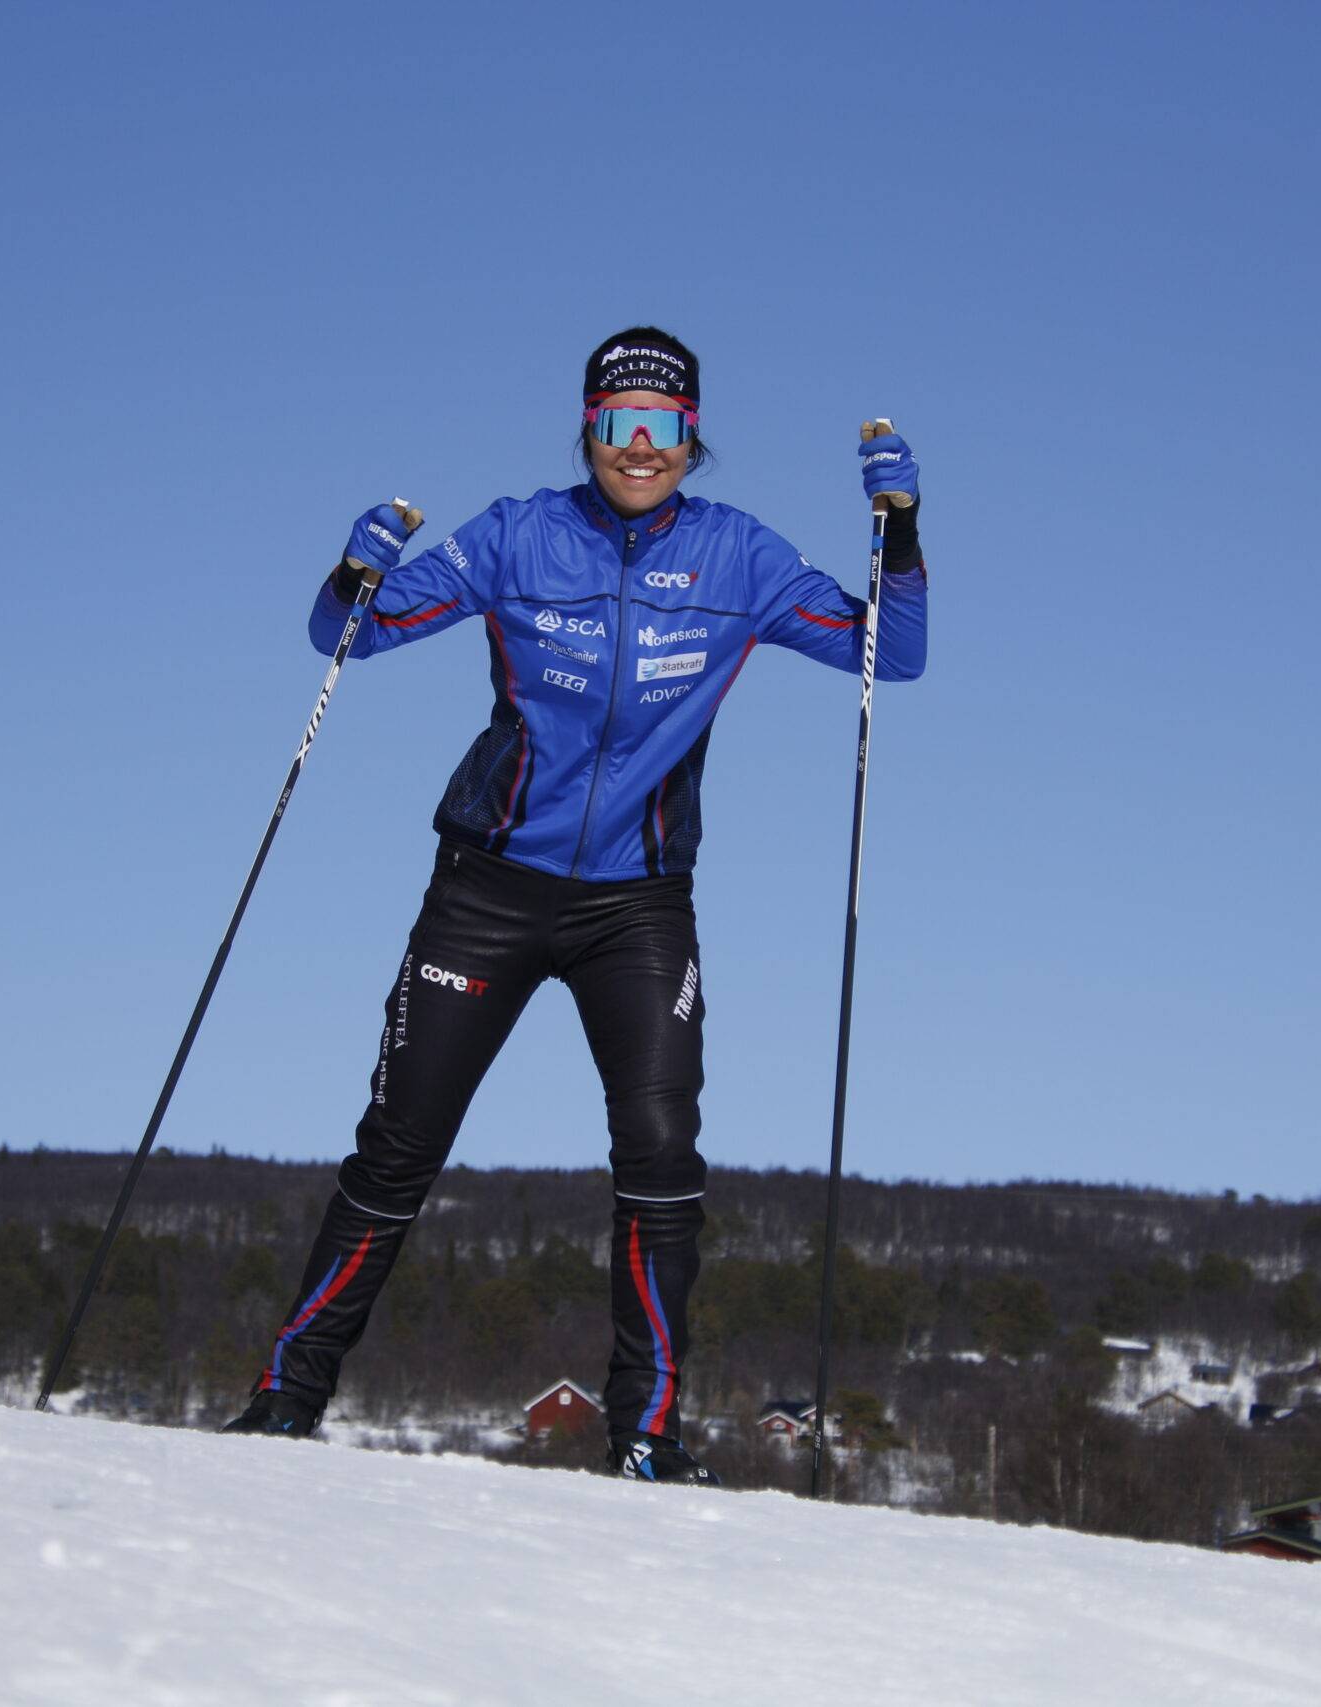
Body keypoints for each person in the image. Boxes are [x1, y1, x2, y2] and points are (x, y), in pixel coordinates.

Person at [220, 327, 927, 1483]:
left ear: (693, 440)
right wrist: (353, 571)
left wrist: (898, 533)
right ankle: (286, 1398)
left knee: (659, 1157)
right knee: (397, 1146)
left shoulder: (738, 558)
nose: (638, 449)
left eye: (662, 428)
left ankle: (645, 1437)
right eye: (616, 425)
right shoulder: (517, 535)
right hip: (488, 891)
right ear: (587, 430)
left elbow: (886, 659)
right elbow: (346, 635)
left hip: (637, 908)